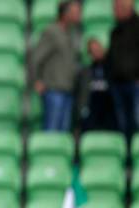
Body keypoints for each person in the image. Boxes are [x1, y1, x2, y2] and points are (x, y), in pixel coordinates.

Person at [31, 0, 82, 131]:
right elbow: (36, 57)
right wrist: (37, 80)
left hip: (68, 90)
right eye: (76, 12)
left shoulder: (71, 33)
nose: (79, 15)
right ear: (66, 14)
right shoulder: (51, 32)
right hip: (54, 90)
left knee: (63, 134)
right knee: (52, 131)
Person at [106, 0, 139, 139]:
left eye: (118, 7)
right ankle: (126, 155)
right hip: (118, 84)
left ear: (128, 8)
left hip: (135, 83)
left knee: (137, 121)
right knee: (122, 124)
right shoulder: (115, 31)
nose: (115, 11)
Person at [79, 38, 118, 131]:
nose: (97, 52)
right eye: (93, 50)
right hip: (92, 108)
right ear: (90, 54)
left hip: (109, 108)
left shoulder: (113, 68)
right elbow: (82, 94)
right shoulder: (87, 71)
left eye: (98, 49)